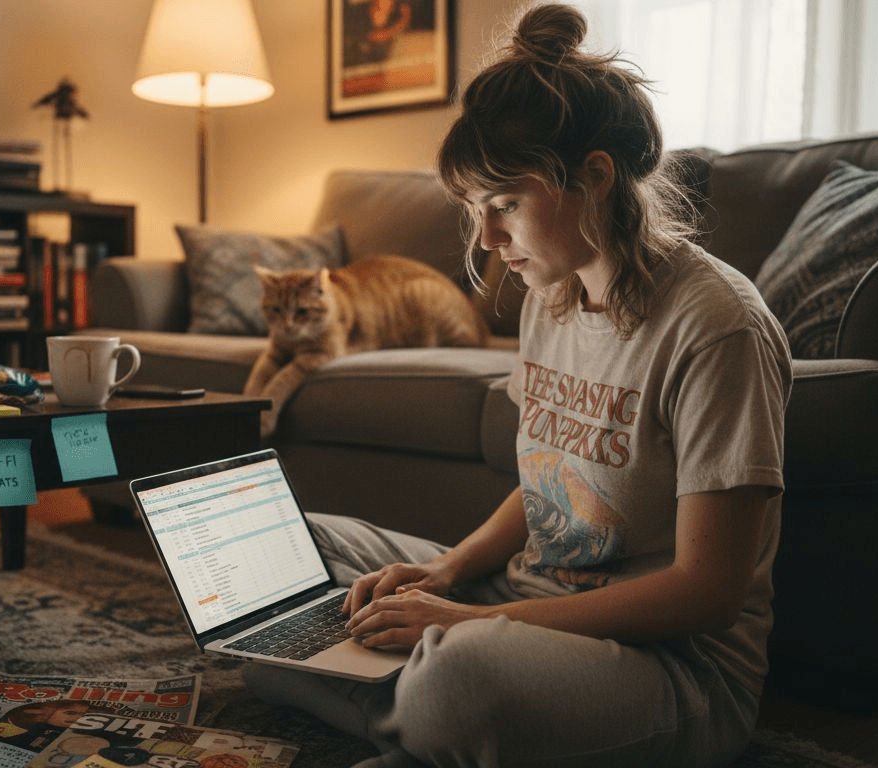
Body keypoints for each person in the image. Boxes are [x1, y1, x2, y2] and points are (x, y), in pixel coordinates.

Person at [242, 3, 792, 767]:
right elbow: (548, 480)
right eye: (476, 210)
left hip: (671, 668)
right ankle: (434, 725)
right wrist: (450, 570)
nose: (487, 241)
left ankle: (412, 708)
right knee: (276, 567)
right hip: (518, 602)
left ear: (594, 177)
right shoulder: (551, 294)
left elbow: (708, 592)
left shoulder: (717, 326)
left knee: (455, 681)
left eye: (504, 205)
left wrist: (464, 628)